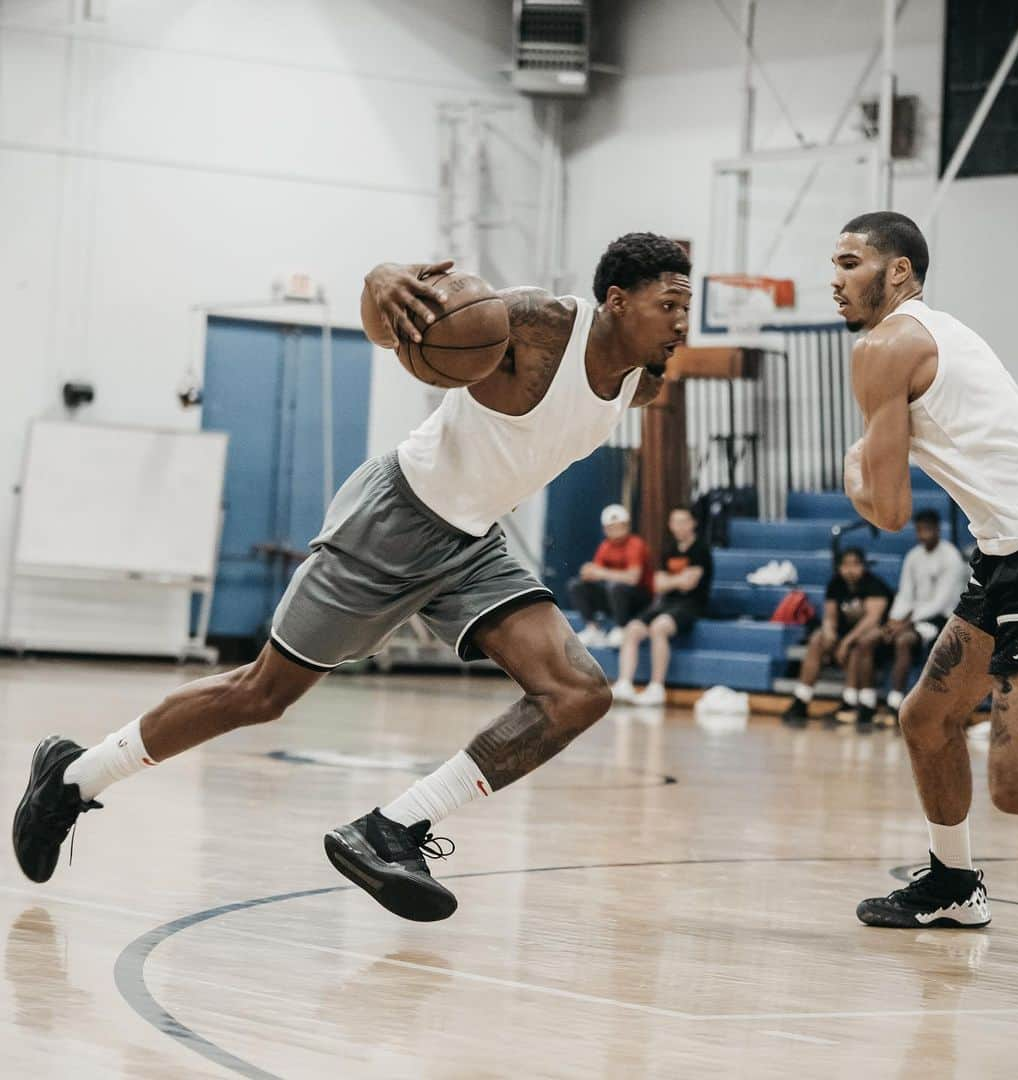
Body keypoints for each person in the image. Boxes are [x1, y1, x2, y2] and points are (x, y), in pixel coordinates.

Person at [12, 232, 693, 923]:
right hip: (398, 515)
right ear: (615, 299)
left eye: (686, 308)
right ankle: (74, 777)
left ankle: (391, 830)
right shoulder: (540, 324)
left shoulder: (645, 384)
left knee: (576, 693)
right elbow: (406, 320)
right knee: (262, 693)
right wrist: (383, 279)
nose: (680, 323)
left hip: (472, 541)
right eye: (669, 304)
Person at [832, 210, 1018, 929]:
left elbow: (886, 511)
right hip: (1009, 551)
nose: (834, 279)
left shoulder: (887, 345)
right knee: (927, 718)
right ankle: (953, 883)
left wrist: (853, 468)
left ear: (898, 270)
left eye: (850, 263)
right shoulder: (937, 332)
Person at [781, 547, 893, 727]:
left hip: (872, 638)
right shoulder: (836, 583)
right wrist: (829, 631)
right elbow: (830, 616)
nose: (850, 570)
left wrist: (846, 642)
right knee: (817, 638)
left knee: (859, 644)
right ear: (839, 567)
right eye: (846, 565)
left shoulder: (874, 585)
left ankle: (854, 704)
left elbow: (872, 620)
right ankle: (802, 699)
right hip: (845, 634)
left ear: (863, 566)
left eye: (855, 565)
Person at [613, 505, 713, 706]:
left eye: (683, 521)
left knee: (659, 627)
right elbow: (658, 584)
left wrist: (672, 580)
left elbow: (690, 583)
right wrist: (678, 580)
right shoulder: (669, 550)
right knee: (632, 629)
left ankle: (657, 687)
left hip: (691, 604)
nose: (678, 526)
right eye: (675, 521)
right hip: (667, 603)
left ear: (693, 523)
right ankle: (624, 683)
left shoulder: (701, 550)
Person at [878, 508, 966, 720]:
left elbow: (942, 602)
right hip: (913, 618)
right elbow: (905, 593)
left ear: (937, 529)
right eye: (919, 530)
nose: (922, 535)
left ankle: (896, 701)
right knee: (875, 637)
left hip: (943, 619)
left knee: (904, 641)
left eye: (927, 529)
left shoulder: (951, 557)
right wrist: (894, 618)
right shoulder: (913, 556)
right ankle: (862, 702)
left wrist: (905, 623)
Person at [568, 504, 652, 647]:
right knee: (576, 585)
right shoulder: (605, 546)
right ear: (605, 529)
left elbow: (633, 578)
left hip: (639, 599)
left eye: (620, 526)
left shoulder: (635, 544)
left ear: (627, 526)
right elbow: (594, 573)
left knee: (616, 587)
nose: (616, 531)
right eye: (612, 527)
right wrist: (588, 572)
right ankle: (593, 629)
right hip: (614, 598)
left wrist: (601, 573)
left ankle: (622, 628)